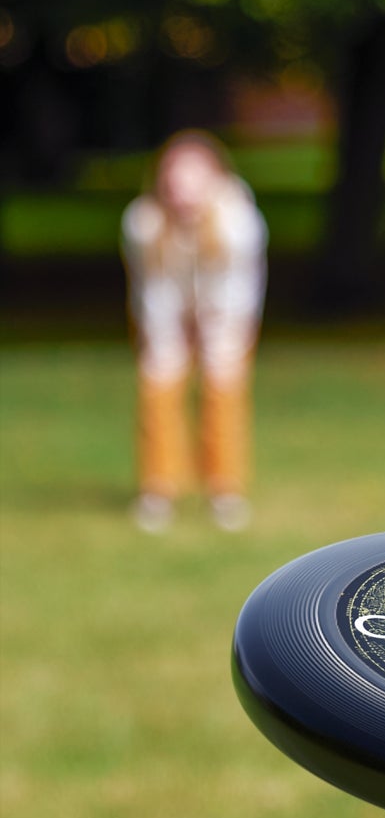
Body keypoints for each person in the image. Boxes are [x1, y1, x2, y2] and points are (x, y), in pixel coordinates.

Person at [121, 130, 268, 533]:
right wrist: (168, 338)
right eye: (174, 179)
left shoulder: (239, 221)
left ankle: (225, 491)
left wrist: (215, 332)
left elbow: (239, 289)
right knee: (158, 385)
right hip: (165, 313)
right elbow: (152, 289)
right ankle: (158, 489)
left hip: (226, 314)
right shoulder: (143, 222)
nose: (182, 190)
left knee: (223, 390)